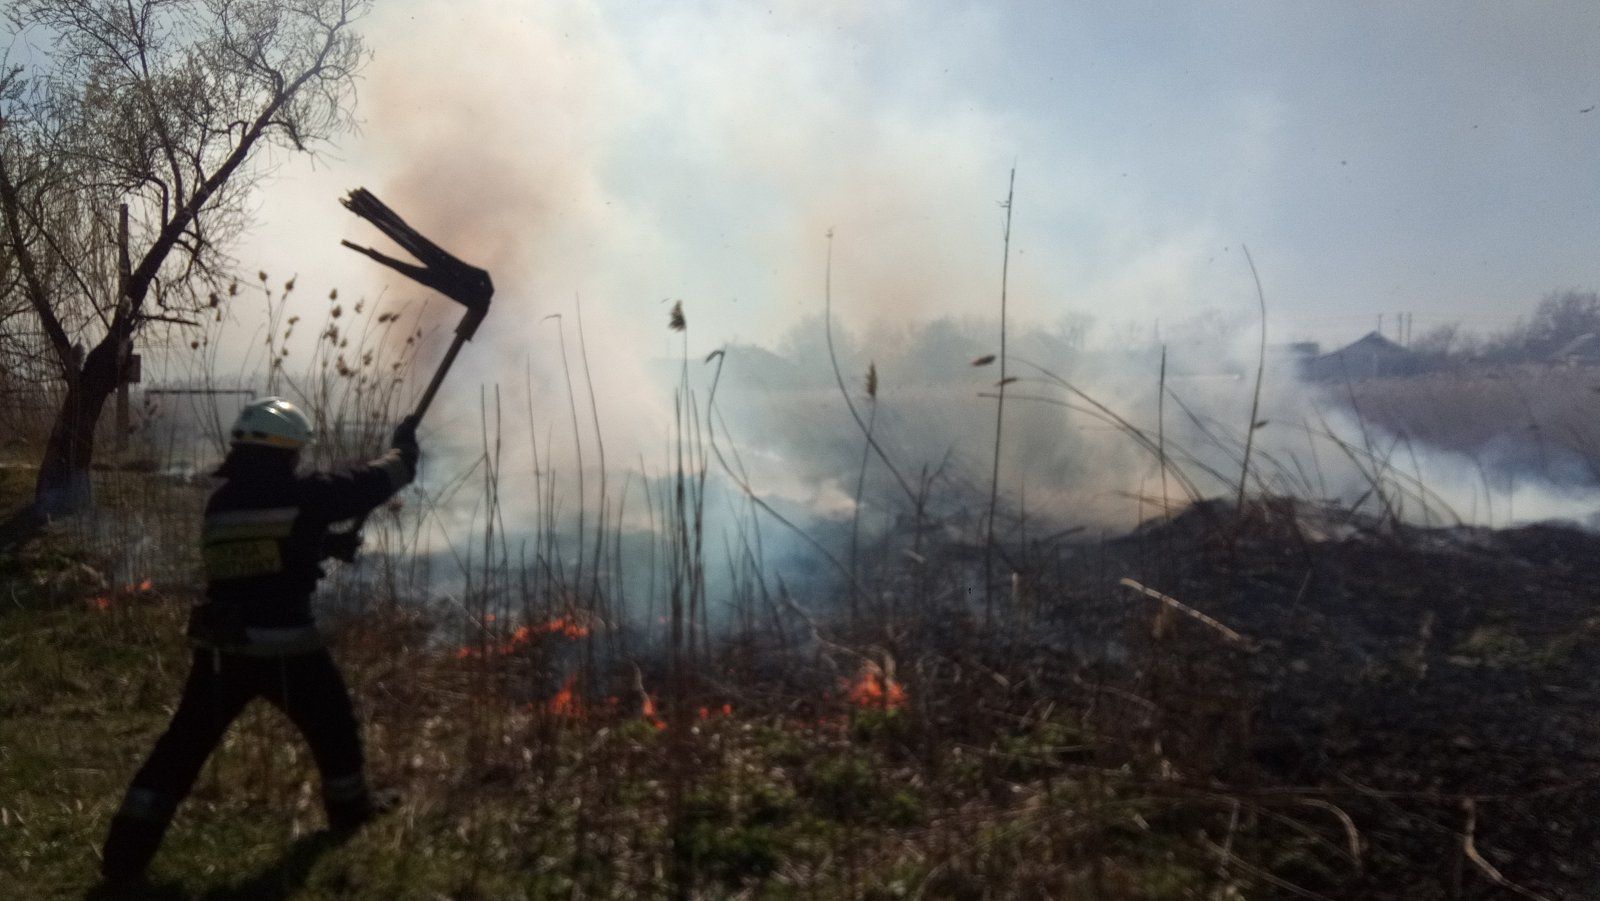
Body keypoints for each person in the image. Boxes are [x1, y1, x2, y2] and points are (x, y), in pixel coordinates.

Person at [99, 397, 420, 884]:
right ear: (286, 452)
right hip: (283, 645)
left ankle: (124, 855)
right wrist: (402, 455)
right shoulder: (303, 495)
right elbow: (364, 487)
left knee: (181, 748)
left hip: (221, 649)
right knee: (333, 725)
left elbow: (262, 550)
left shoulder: (222, 503)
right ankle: (351, 811)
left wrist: (322, 543)